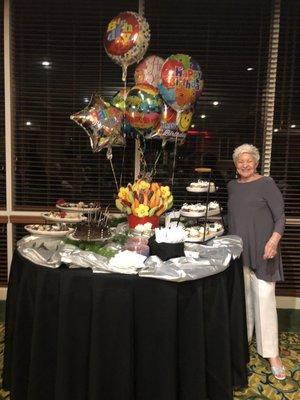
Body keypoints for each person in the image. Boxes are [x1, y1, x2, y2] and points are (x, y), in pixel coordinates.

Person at [227, 143, 286, 380]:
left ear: (257, 162)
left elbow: (280, 217)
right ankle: (245, 342)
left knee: (264, 300)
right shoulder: (232, 186)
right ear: (235, 164)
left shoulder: (266, 183)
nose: (244, 164)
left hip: (264, 251)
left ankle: (272, 353)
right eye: (240, 161)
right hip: (240, 251)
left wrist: (273, 242)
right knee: (245, 301)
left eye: (249, 160)